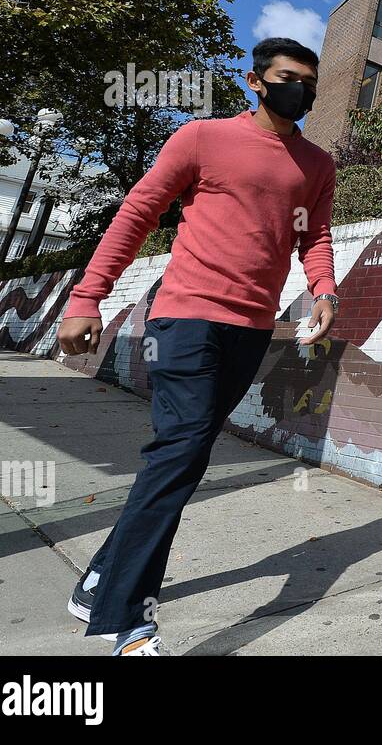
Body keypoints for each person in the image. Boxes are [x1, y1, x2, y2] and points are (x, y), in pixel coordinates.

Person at [55, 38, 339, 656]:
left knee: (179, 457)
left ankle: (103, 575)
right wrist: (86, 298)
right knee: (180, 454)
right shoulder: (202, 138)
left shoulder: (316, 164)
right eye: (289, 79)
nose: (302, 92)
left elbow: (313, 237)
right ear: (256, 82)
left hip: (252, 327)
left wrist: (324, 291)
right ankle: (126, 619)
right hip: (186, 320)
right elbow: (137, 213)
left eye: (310, 84)